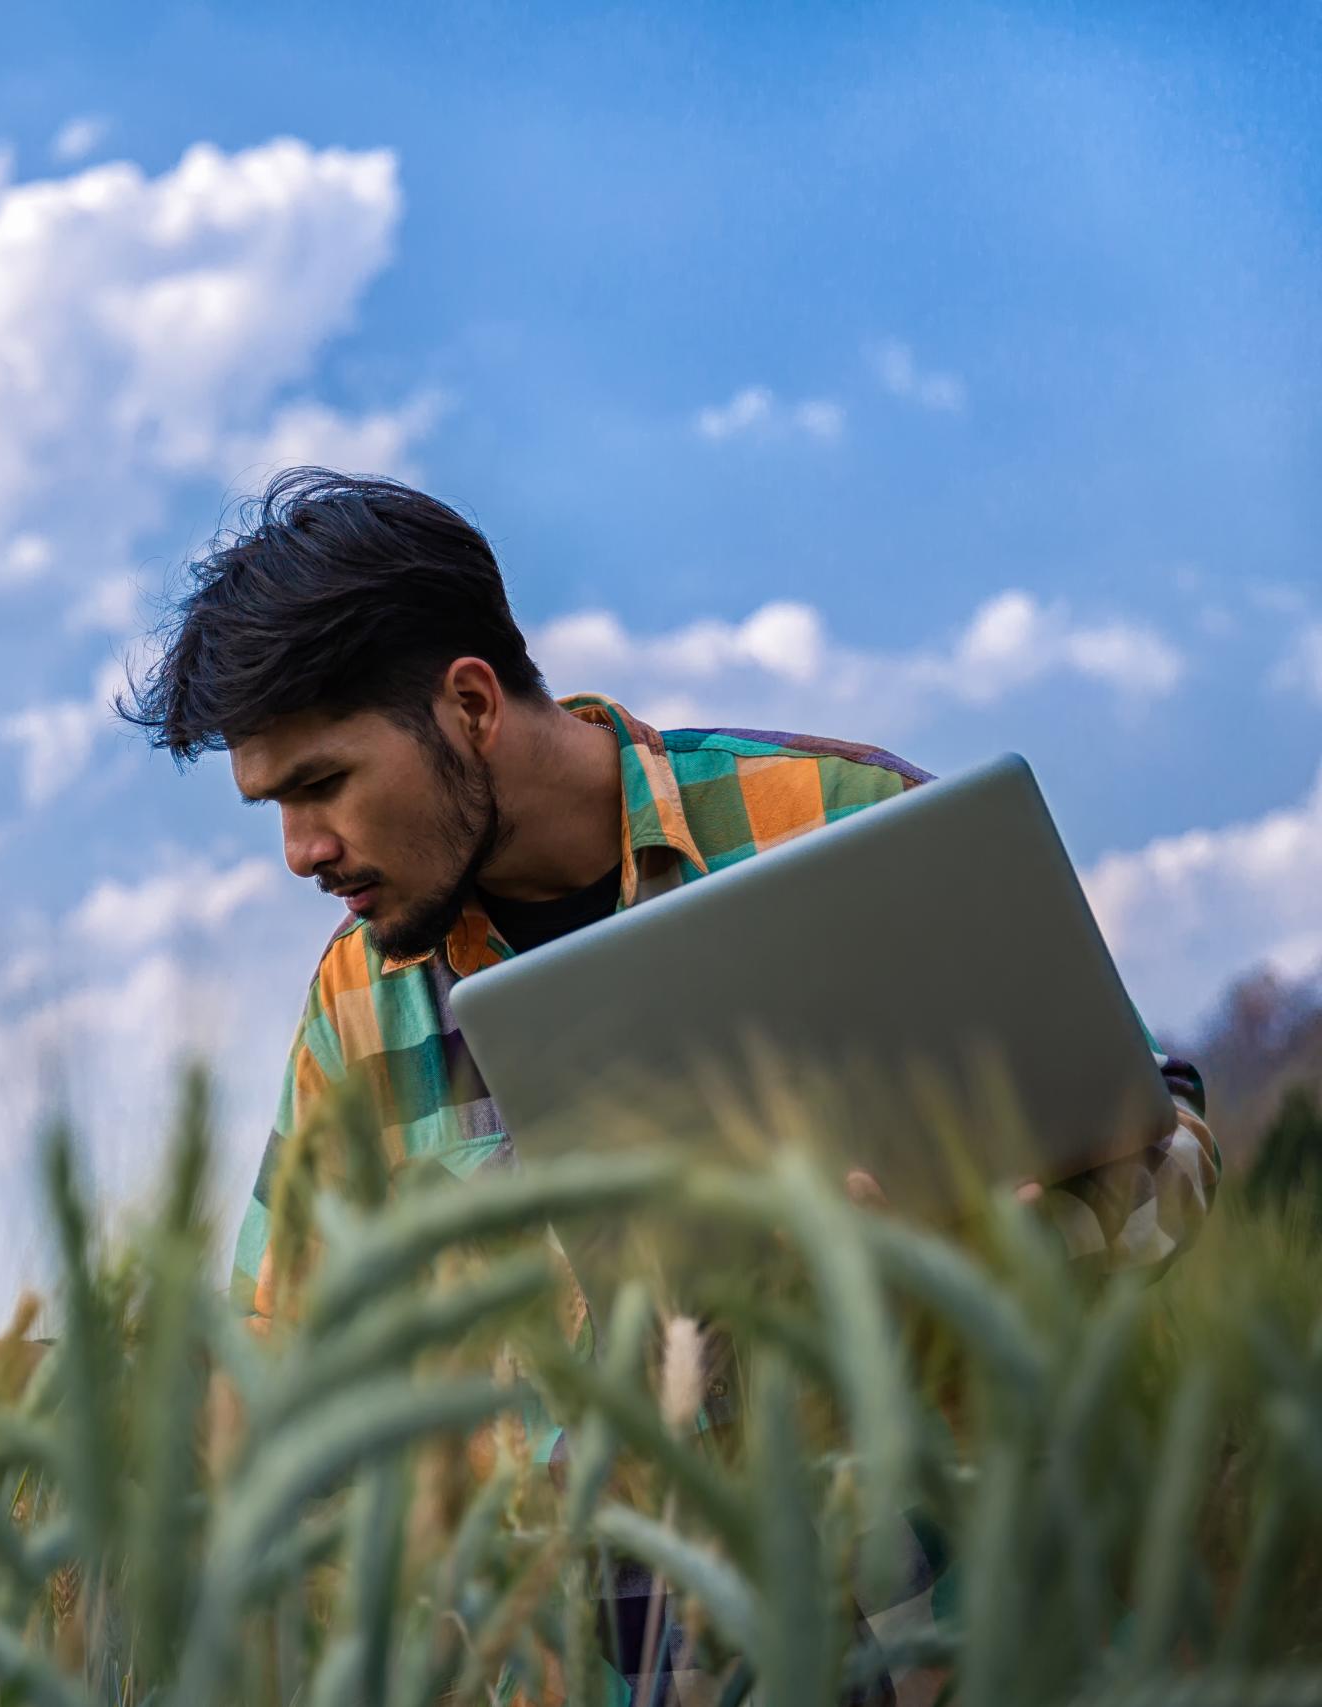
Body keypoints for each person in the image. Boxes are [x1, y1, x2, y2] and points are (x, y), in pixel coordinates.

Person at [109, 467, 1222, 1698]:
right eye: (273, 806)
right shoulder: (353, 1007)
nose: (299, 852)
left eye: (321, 785)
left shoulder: (834, 819)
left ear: (470, 704)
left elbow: (1165, 1152)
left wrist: (950, 1263)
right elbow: (272, 1366)